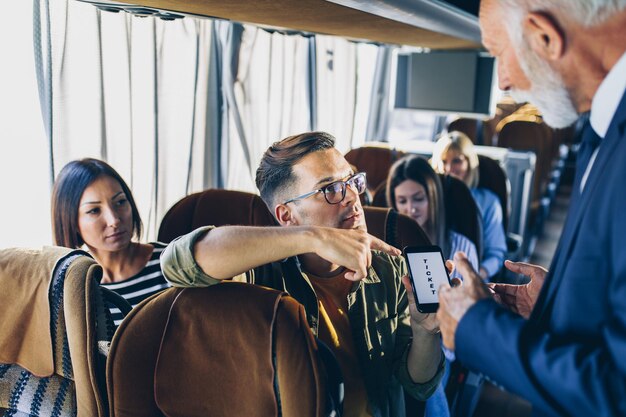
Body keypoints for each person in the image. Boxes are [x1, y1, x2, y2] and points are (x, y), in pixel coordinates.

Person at [161, 132, 444, 417]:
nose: (353, 198)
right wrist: (314, 238)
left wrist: (425, 332)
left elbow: (418, 385)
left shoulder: (390, 269)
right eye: (330, 189)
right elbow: (176, 262)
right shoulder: (262, 272)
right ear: (286, 217)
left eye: (351, 181)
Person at [436, 1, 626, 416]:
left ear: (545, 36)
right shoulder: (603, 129)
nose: (502, 82)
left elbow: (618, 392)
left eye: (499, 52)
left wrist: (474, 329)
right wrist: (557, 306)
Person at [386, 154, 479, 417]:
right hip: (393, 342)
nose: (410, 209)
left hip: (443, 343)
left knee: (430, 388)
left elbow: (471, 315)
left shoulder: (461, 248)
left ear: (433, 199)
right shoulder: (385, 251)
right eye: (401, 201)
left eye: (418, 199)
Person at [51, 158, 170, 326]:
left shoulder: (170, 262)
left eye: (120, 202)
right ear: (71, 221)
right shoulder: (71, 286)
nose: (114, 220)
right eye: (94, 210)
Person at [431, 131, 507, 280]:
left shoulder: (488, 201)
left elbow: (496, 254)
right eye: (444, 161)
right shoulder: (429, 200)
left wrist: (475, 277)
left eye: (456, 161)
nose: (448, 168)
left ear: (469, 163)